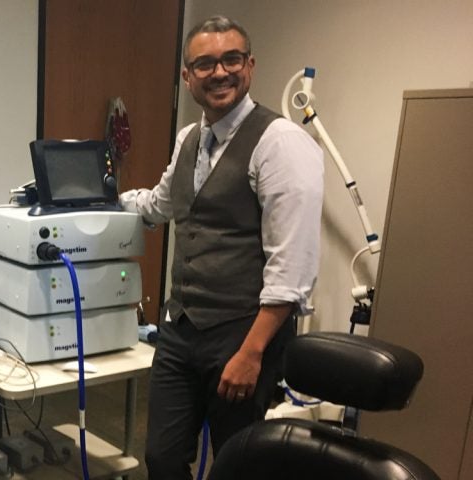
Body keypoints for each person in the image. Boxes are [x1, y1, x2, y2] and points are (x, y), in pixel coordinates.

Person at [118, 15, 324, 479]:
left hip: (242, 333)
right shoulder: (189, 138)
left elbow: (291, 267)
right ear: (187, 76)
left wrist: (251, 353)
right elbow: (163, 202)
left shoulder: (281, 143)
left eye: (231, 59)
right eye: (205, 64)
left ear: (249, 65)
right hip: (181, 327)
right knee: (163, 458)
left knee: (236, 462)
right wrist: (105, 199)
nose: (220, 73)